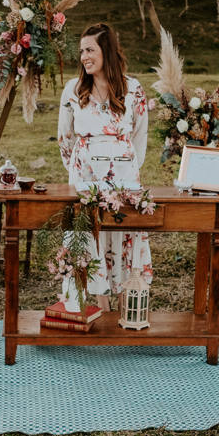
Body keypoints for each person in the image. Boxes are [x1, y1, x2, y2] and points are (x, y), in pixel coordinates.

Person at [57, 23, 152, 309]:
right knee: (89, 232)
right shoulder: (73, 90)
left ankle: (127, 303)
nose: (84, 56)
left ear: (106, 51)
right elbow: (65, 138)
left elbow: (139, 135)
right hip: (85, 175)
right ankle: (100, 305)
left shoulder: (132, 88)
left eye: (90, 50)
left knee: (123, 232)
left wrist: (125, 166)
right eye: (81, 51)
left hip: (124, 174)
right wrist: (78, 169)